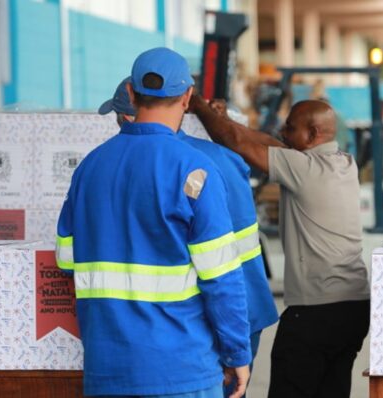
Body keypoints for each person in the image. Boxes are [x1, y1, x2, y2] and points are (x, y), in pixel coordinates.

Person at [56, 48, 251, 398]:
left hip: (107, 370)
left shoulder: (88, 169)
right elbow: (222, 279)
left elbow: (66, 260)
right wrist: (237, 352)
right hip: (182, 371)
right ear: (188, 98)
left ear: (130, 93)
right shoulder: (196, 170)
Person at [99, 77, 280, 397]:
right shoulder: (223, 157)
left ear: (129, 116)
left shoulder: (144, 168)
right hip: (248, 306)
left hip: (204, 319)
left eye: (117, 117)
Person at [189, 96, 371, 398]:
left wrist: (199, 107)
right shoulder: (343, 163)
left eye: (290, 128)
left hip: (316, 312)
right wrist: (225, 118)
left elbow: (234, 141)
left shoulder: (304, 169)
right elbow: (270, 144)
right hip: (353, 308)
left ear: (312, 134)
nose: (282, 133)